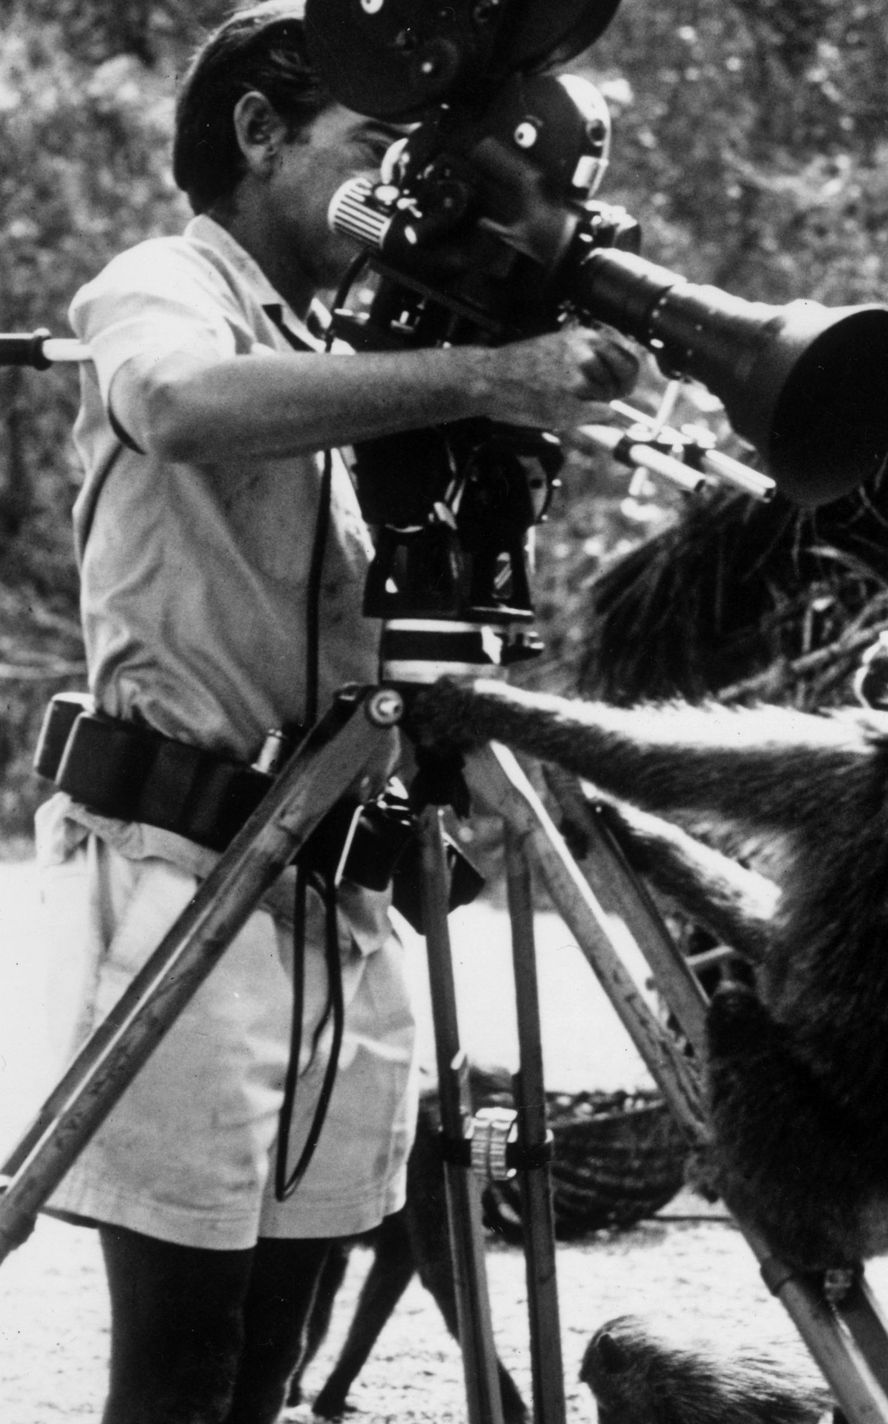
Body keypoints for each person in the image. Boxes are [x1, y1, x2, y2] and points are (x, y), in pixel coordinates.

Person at [31, 5, 642, 1422]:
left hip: (341, 895)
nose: (399, 190)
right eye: (373, 147)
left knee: (270, 1359)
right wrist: (488, 376)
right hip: (185, 874)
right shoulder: (165, 283)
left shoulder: (349, 344)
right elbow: (179, 403)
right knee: (182, 1360)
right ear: (260, 133)